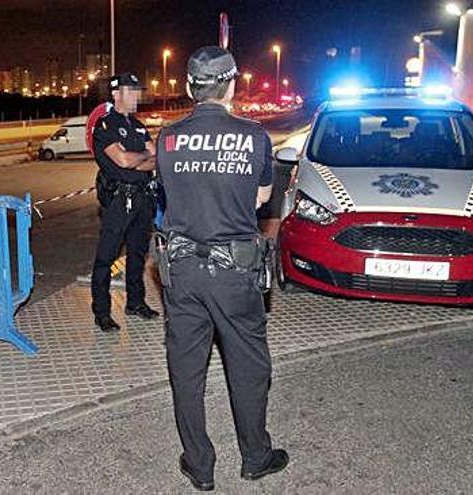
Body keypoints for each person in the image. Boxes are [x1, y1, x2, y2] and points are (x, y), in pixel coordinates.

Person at [155, 46, 288, 491]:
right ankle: (255, 456)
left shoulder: (167, 138)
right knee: (248, 365)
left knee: (186, 371)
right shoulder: (253, 136)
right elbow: (261, 199)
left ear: (190, 86)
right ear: (231, 84)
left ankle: (199, 463)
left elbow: (171, 196)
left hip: (181, 270)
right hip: (234, 272)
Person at [90, 73, 160, 333]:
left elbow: (157, 158)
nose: (136, 97)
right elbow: (122, 161)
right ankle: (102, 312)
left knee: (138, 255)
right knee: (105, 258)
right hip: (119, 200)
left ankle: (135, 302)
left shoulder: (139, 125)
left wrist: (138, 158)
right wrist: (142, 158)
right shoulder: (105, 126)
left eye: (137, 91)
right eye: (131, 91)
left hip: (142, 197)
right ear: (116, 94)